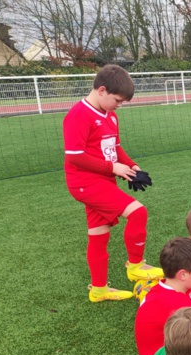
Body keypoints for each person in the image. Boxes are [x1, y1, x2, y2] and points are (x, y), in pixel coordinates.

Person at [62, 64, 163, 302]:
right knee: (138, 213)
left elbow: (115, 148)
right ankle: (136, 265)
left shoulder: (111, 115)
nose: (119, 105)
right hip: (85, 183)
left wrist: (132, 166)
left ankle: (98, 291)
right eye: (117, 100)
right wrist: (112, 168)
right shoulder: (78, 115)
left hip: (104, 181)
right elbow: (74, 156)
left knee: (99, 234)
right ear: (102, 90)